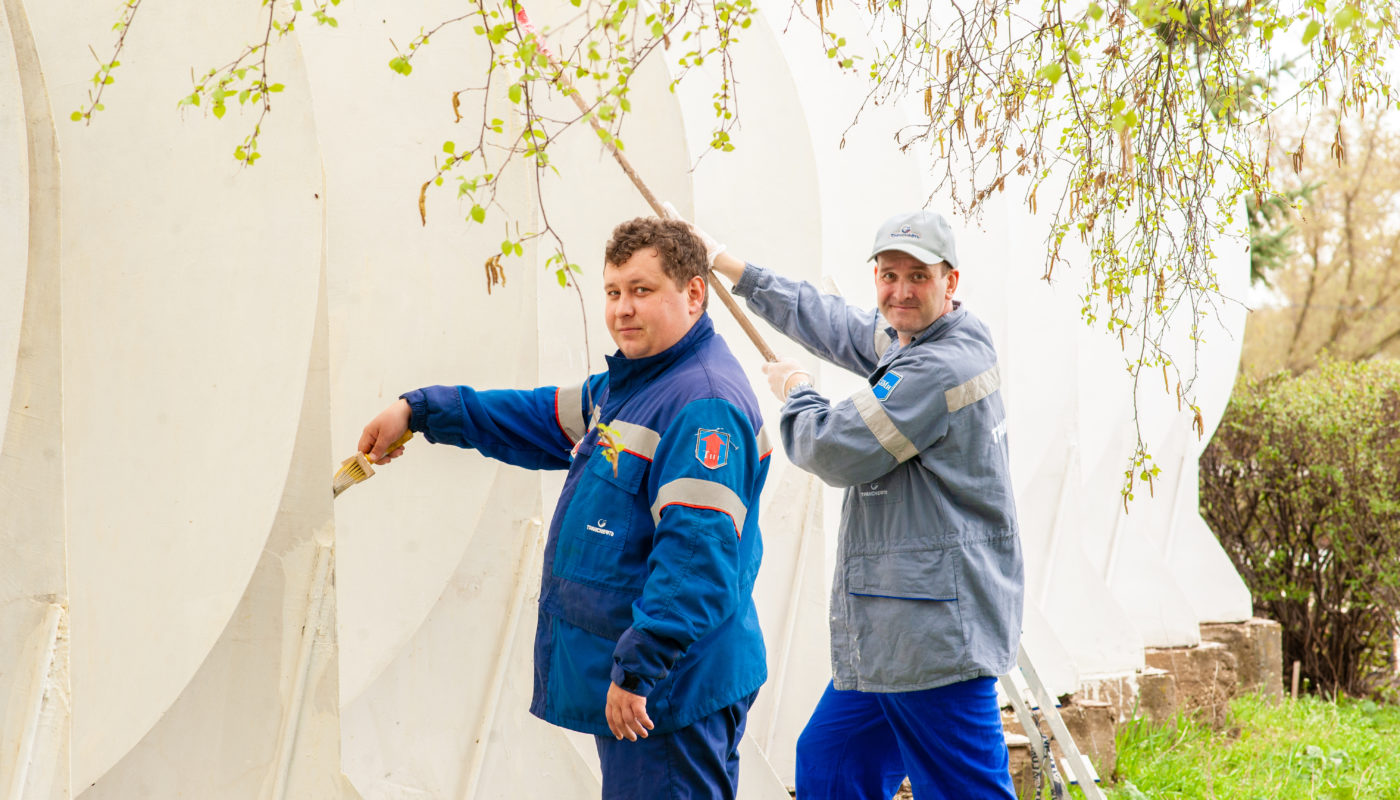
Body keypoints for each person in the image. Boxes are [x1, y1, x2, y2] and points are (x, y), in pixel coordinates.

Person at [357, 217, 770, 799]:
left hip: (669, 693)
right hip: (652, 682)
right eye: (613, 292)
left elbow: (695, 558)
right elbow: (535, 417)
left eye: (642, 291)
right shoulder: (633, 385)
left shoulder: (701, 403)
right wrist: (421, 411)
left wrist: (638, 669)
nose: (623, 308)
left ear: (694, 293)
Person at [700, 209, 1023, 799]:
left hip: (934, 633)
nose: (900, 291)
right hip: (895, 624)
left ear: (951, 283)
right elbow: (838, 323)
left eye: (918, 277)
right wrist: (730, 266)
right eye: (888, 274)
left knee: (966, 791)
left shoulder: (936, 368)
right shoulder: (934, 332)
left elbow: (833, 449)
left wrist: (797, 392)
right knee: (831, 760)